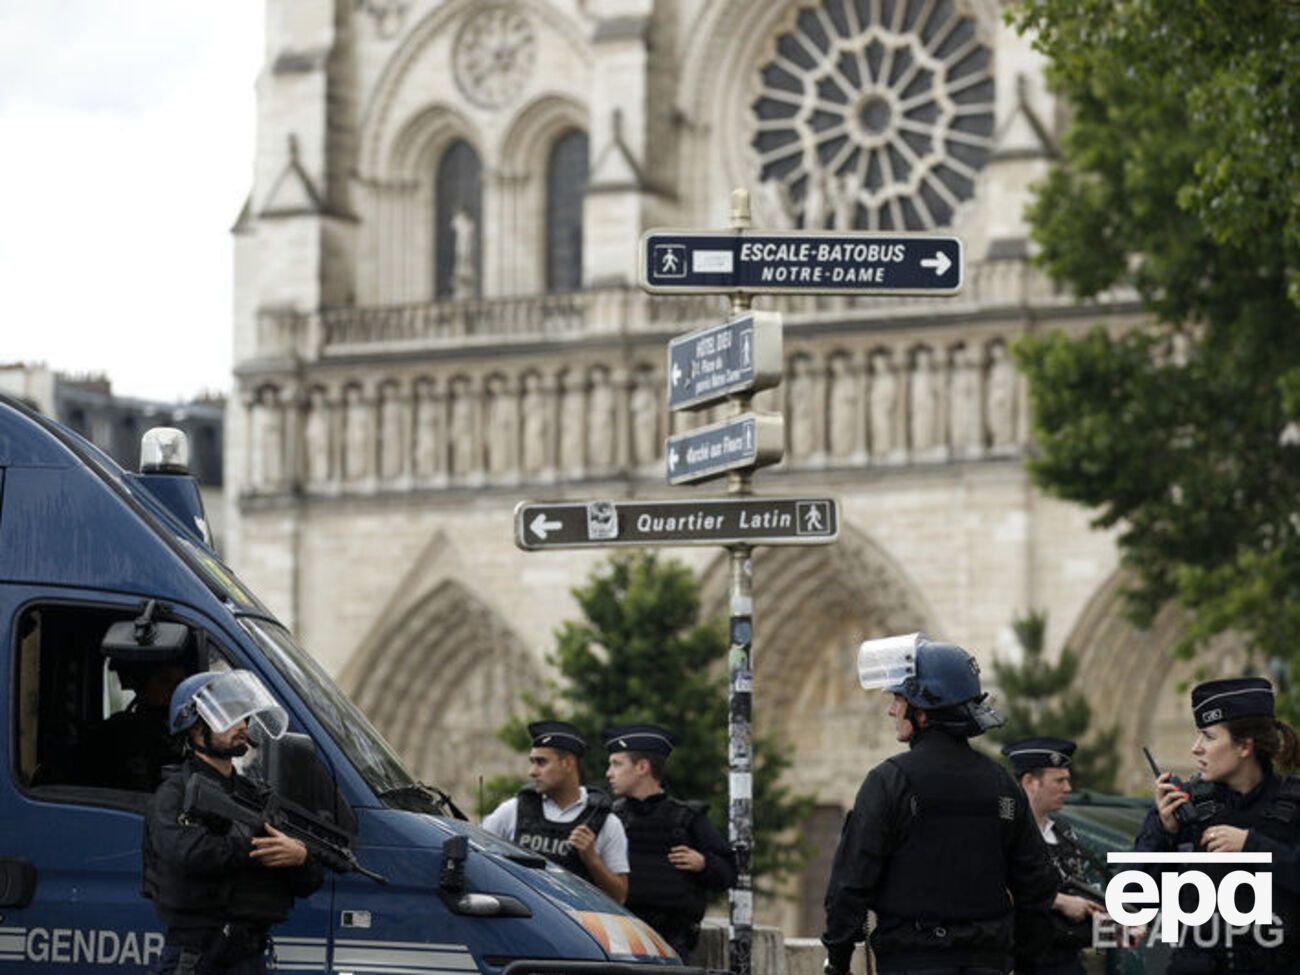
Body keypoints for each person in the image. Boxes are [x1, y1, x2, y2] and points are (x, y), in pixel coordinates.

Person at [822, 634, 1058, 975]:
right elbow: (1037, 884)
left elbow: (851, 883)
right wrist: (1023, 959)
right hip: (987, 964)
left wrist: (838, 959)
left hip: (911, 962)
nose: (891, 709)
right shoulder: (1002, 783)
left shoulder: (889, 781)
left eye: (898, 699)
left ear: (922, 712)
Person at [142, 670, 324, 974]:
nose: (241, 725)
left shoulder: (254, 795)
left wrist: (300, 857)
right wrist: (256, 848)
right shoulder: (175, 794)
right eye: (228, 717)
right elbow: (187, 852)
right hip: (199, 955)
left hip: (248, 955)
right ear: (195, 728)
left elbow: (308, 880)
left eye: (243, 717)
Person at [1135, 676, 1300, 973]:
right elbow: (1133, 898)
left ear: (1244, 746)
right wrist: (1163, 832)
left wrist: (1252, 847)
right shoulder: (1182, 807)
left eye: (1209, 737)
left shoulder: (1293, 803)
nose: (1196, 748)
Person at [603, 723, 737, 962]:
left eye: (617, 764)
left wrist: (704, 864)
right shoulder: (610, 819)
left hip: (672, 943)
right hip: (620, 940)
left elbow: (729, 873)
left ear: (642, 767)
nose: (609, 773)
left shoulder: (687, 818)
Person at [482, 721, 629, 903]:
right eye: (532, 762)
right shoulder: (512, 811)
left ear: (567, 763)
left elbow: (619, 897)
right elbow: (478, 860)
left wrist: (592, 859)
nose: (532, 772)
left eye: (541, 762)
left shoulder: (605, 821)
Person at [1002, 737, 1106, 974]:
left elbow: (1079, 889)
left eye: (1067, 780)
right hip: (1020, 960)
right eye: (1059, 780)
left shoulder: (1064, 833)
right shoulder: (1003, 832)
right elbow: (997, 890)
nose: (1068, 788)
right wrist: (1059, 901)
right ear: (1030, 781)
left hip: (1065, 958)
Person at [93, 657, 189, 792]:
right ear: (143, 686)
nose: (175, 689)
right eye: (165, 681)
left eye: (181, 683)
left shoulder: (190, 728)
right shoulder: (120, 731)